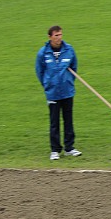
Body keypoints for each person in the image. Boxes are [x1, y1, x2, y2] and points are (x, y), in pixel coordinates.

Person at [35, 26, 81, 160]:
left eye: (60, 34)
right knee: (54, 122)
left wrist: (68, 82)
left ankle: (69, 148)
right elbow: (40, 71)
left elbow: (74, 67)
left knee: (68, 120)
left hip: (67, 91)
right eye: (56, 35)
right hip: (52, 93)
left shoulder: (69, 50)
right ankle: (55, 150)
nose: (59, 37)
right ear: (50, 37)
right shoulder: (43, 53)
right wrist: (47, 84)